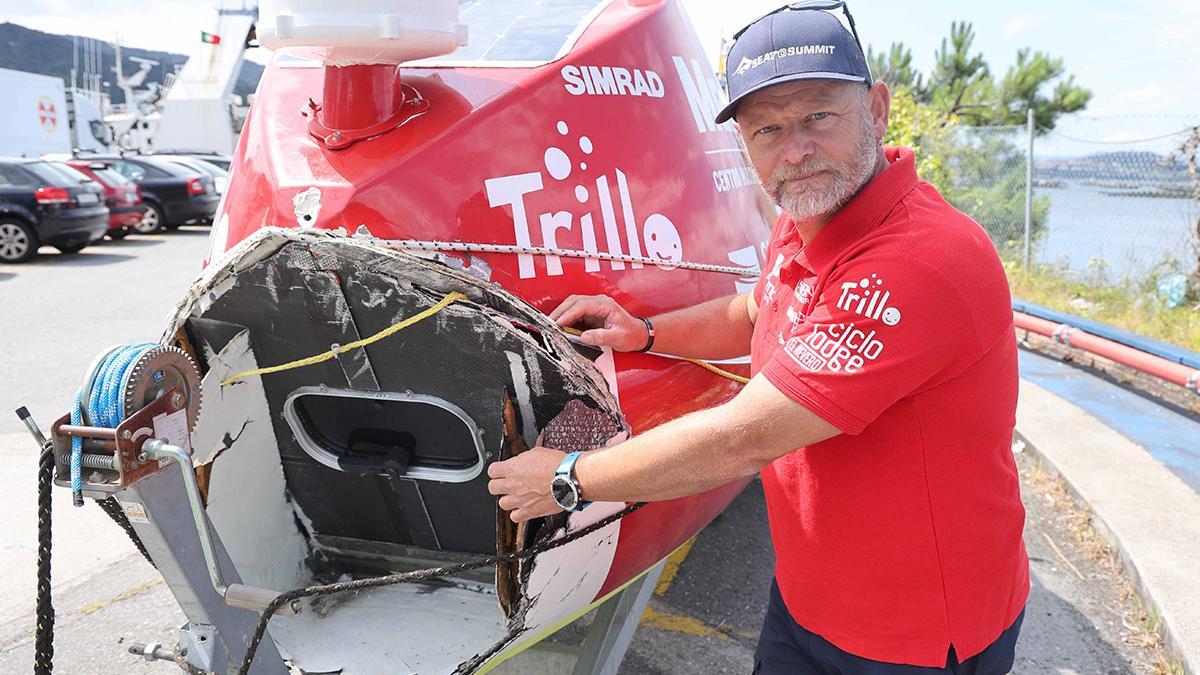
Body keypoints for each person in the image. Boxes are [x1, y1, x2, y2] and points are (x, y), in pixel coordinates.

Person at [487, 3, 1029, 673]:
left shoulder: (918, 262)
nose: (794, 149)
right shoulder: (810, 218)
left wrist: (570, 477)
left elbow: (747, 436)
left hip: (913, 636)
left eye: (817, 117)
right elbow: (755, 306)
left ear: (878, 108)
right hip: (809, 600)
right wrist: (646, 331)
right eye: (767, 128)